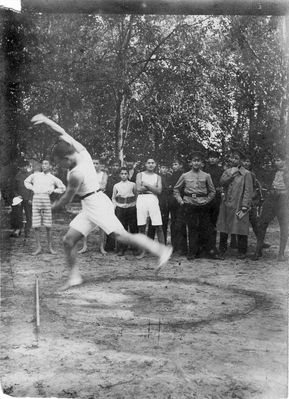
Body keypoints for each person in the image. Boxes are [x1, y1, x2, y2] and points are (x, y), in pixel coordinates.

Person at [31, 114, 172, 289]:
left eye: (60, 164)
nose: (59, 167)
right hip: (89, 206)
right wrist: (46, 120)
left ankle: (161, 250)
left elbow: (66, 199)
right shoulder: (81, 151)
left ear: (67, 158)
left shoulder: (76, 174)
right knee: (68, 241)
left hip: (97, 205)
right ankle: (74, 277)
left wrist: (49, 208)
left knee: (121, 236)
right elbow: (62, 131)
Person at [174, 152, 218, 260]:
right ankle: (192, 252)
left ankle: (204, 252)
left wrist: (207, 200)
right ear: (191, 163)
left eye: (198, 161)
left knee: (205, 228)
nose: (196, 163)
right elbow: (176, 189)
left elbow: (212, 191)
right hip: (189, 204)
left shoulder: (206, 176)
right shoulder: (185, 175)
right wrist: (181, 201)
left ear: (202, 163)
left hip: (203, 204)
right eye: (194, 160)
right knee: (192, 228)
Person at [216, 149, 253, 259]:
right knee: (224, 227)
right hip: (227, 203)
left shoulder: (246, 174)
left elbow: (248, 190)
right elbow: (222, 182)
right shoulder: (227, 171)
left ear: (241, 160)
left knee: (241, 226)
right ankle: (222, 249)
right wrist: (230, 176)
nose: (233, 160)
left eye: (236, 158)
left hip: (239, 203)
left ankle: (242, 251)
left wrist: (245, 205)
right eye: (232, 158)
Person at [24, 158, 66, 255]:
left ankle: (50, 247)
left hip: (46, 199)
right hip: (36, 199)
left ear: (50, 166)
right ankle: (38, 247)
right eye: (43, 164)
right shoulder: (36, 175)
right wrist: (33, 188)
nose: (44, 166)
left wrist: (53, 191)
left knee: (48, 225)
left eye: (46, 164)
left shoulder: (53, 178)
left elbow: (63, 188)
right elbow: (26, 182)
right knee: (36, 225)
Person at [252, 153, 289, 262]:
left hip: (284, 201)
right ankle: (258, 251)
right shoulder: (272, 172)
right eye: (275, 160)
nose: (275, 162)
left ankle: (281, 254)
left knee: (284, 227)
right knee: (262, 223)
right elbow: (263, 183)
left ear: (284, 161)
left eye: (278, 160)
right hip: (271, 199)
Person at [135, 158, 166, 259]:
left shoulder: (158, 177)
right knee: (141, 225)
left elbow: (159, 191)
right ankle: (142, 252)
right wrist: (153, 188)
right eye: (148, 163)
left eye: (152, 163)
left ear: (155, 164)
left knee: (158, 225)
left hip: (153, 199)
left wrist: (147, 185)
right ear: (145, 164)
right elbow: (138, 188)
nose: (150, 165)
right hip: (141, 199)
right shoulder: (140, 174)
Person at [78, 158, 108, 254]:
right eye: (93, 163)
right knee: (85, 222)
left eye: (96, 163)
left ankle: (101, 247)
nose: (94, 165)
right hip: (87, 200)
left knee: (102, 224)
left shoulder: (103, 174)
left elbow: (103, 186)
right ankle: (84, 246)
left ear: (100, 165)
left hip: (99, 199)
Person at [112, 167, 137, 255]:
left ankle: (134, 248)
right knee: (122, 228)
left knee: (133, 228)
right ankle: (122, 248)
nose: (123, 175)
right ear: (119, 175)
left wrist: (134, 205)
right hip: (120, 208)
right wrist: (115, 207)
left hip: (131, 207)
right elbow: (114, 198)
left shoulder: (133, 184)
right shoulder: (116, 185)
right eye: (122, 174)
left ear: (128, 175)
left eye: (125, 174)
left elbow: (136, 196)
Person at [203, 150, 223, 249]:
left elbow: (222, 183)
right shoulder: (204, 169)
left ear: (218, 159)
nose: (212, 159)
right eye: (210, 157)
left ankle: (212, 247)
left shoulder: (221, 170)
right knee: (205, 221)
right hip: (205, 197)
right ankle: (205, 246)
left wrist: (219, 188)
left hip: (216, 198)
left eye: (214, 157)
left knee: (213, 222)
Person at [167, 159, 187, 254]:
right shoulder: (170, 176)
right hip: (173, 203)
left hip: (182, 202)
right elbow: (169, 188)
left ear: (180, 165)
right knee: (174, 224)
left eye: (176, 164)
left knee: (181, 224)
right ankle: (175, 246)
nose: (174, 166)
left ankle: (183, 247)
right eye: (173, 164)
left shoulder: (184, 175)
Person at [147, 163, 170, 244]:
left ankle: (163, 243)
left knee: (163, 223)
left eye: (165, 168)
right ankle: (149, 244)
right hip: (155, 201)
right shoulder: (156, 177)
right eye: (162, 167)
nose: (164, 169)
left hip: (165, 203)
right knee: (152, 223)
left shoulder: (169, 177)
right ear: (160, 168)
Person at [10, 160, 33, 237]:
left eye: (25, 166)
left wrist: (31, 199)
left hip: (28, 199)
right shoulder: (17, 176)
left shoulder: (31, 176)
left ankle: (27, 231)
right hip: (19, 199)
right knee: (18, 215)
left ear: (27, 167)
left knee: (28, 216)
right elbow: (14, 189)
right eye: (22, 166)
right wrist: (17, 196)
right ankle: (18, 230)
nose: (23, 168)